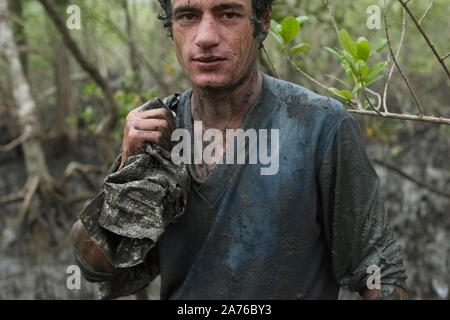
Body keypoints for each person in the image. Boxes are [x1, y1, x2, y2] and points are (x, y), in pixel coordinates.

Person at [71, 0, 407, 299]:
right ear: (172, 28)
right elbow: (95, 265)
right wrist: (128, 169)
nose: (205, 37)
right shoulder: (161, 132)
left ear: (262, 20)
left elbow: (378, 271)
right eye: (187, 16)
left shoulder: (320, 126)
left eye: (228, 13)